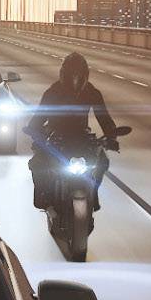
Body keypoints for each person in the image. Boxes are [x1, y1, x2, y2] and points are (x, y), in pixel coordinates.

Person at [26, 53, 122, 206]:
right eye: (72, 75)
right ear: (64, 74)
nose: (75, 80)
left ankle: (93, 192)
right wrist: (35, 132)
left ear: (85, 75)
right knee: (37, 163)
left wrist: (111, 136)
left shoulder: (92, 92)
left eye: (78, 75)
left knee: (102, 161)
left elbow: (104, 117)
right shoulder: (53, 92)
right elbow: (39, 117)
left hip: (82, 137)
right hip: (56, 136)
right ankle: (43, 195)